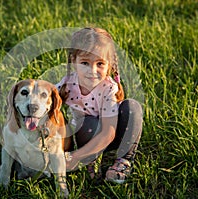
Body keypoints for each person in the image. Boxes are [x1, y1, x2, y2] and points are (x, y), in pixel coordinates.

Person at [56, 27, 143, 183]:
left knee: (133, 107)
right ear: (73, 62)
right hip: (88, 135)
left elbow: (108, 133)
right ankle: (91, 159)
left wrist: (74, 157)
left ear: (109, 65)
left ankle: (123, 161)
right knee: (88, 122)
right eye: (85, 63)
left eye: (100, 63)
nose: (92, 70)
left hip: (114, 135)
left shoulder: (108, 88)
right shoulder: (68, 84)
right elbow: (46, 101)